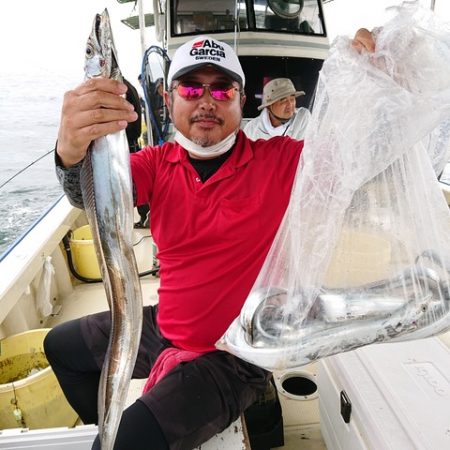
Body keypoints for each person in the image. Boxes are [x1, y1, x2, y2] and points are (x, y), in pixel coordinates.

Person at [45, 30, 376, 450]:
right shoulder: (155, 165)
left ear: (242, 102)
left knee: (128, 443)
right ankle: (108, 425)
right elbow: (89, 195)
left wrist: (377, 83)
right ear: (169, 100)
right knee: (60, 347)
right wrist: (69, 153)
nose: (206, 100)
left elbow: (359, 156)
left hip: (235, 353)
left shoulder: (282, 161)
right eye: (190, 87)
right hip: (168, 325)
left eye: (223, 89)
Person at [244, 77, 311, 140]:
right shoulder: (251, 129)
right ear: (269, 106)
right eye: (283, 100)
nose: (290, 104)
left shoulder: (302, 117)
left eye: (292, 99)